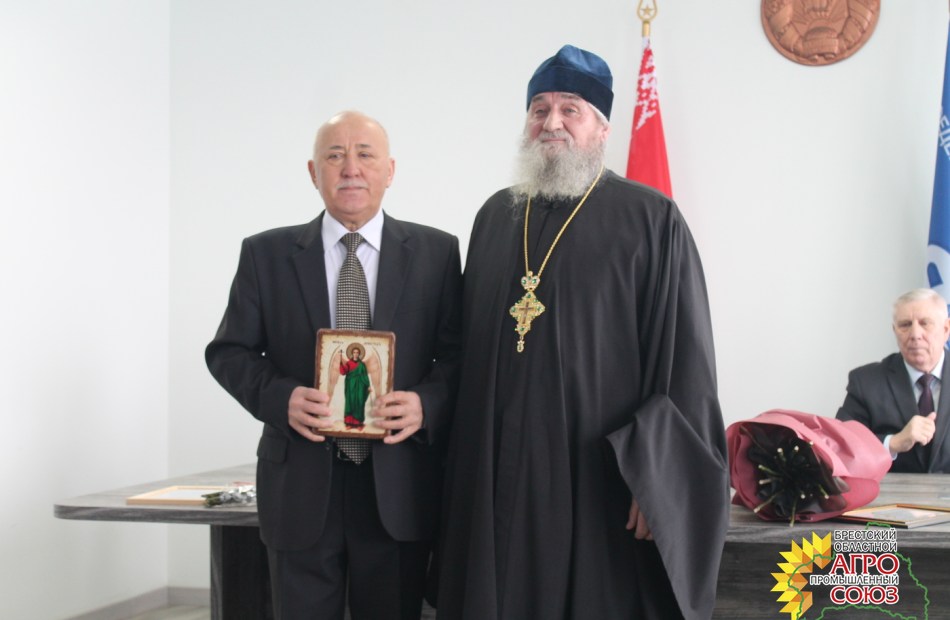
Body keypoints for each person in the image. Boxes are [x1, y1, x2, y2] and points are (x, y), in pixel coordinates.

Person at [436, 45, 729, 620]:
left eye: (570, 109)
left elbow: (685, 361)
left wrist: (660, 477)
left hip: (595, 478)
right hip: (494, 469)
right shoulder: (494, 217)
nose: (552, 122)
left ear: (602, 128)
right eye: (539, 109)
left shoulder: (651, 219)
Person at [206, 110, 462, 620]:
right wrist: (280, 398)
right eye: (335, 156)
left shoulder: (437, 253)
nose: (351, 168)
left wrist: (425, 405)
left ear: (390, 170)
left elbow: (460, 356)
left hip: (398, 485)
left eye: (365, 154)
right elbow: (228, 351)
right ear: (313, 171)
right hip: (299, 486)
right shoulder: (265, 254)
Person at [836, 288, 950, 473]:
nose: (915, 334)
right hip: (890, 491)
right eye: (905, 325)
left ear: (946, 329)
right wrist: (894, 443)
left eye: (925, 323)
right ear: (895, 330)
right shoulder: (866, 382)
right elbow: (841, 446)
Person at [340, 344, 372, 428]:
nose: (355, 354)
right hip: (350, 386)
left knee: (360, 402)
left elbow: (365, 375)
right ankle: (349, 423)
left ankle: (359, 423)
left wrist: (368, 385)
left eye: (357, 352)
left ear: (359, 354)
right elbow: (343, 372)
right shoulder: (349, 363)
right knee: (350, 403)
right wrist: (341, 364)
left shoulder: (362, 364)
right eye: (354, 352)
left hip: (360, 386)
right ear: (352, 353)